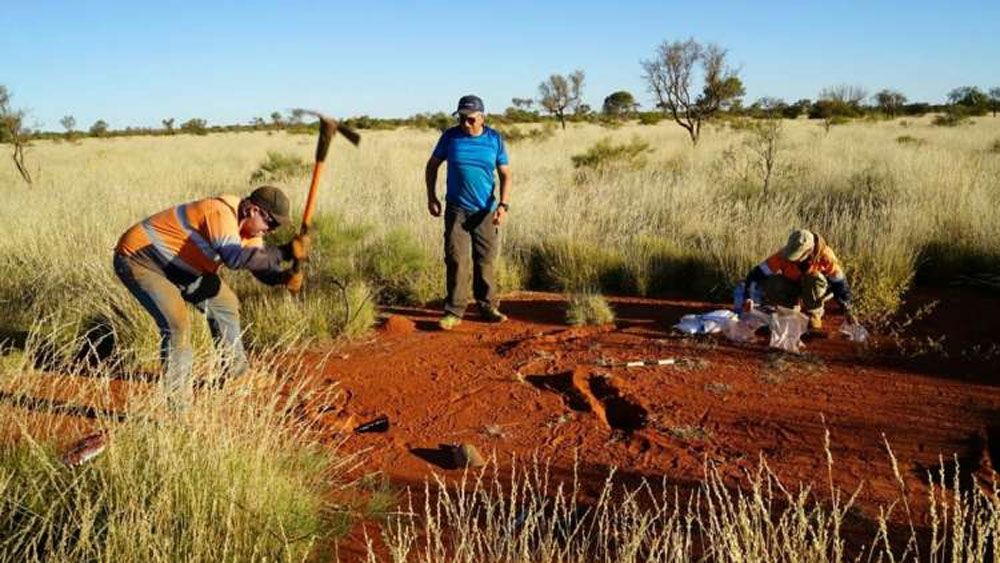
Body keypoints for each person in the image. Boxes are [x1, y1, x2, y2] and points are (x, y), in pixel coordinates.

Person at [113, 186, 309, 409]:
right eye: (272, 223)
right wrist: (284, 252)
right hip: (141, 260)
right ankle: (179, 408)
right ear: (254, 211)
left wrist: (282, 277)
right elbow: (234, 258)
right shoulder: (219, 212)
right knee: (177, 326)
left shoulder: (250, 233)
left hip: (184, 269)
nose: (272, 231)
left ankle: (237, 377)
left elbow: (258, 265)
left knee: (225, 305)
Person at [425, 94, 512, 330]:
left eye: (471, 119)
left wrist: (503, 206)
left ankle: (488, 307)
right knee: (456, 259)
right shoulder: (450, 137)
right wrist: (431, 196)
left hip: (485, 210)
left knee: (485, 260)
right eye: (461, 118)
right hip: (456, 209)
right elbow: (432, 165)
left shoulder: (494, 139)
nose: (465, 123)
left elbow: (505, 174)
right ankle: (453, 311)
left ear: (482, 117)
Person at [739, 229, 856, 331]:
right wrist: (748, 297)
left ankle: (814, 314)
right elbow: (756, 274)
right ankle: (791, 312)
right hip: (794, 287)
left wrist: (848, 309)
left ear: (809, 251)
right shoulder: (782, 255)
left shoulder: (826, 257)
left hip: (817, 291)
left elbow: (840, 284)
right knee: (771, 283)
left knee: (813, 278)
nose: (793, 259)